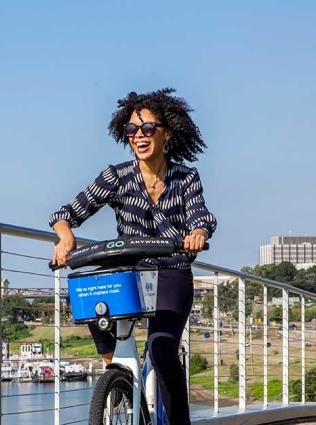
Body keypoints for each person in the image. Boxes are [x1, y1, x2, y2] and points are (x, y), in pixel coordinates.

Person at [49, 87, 217, 425]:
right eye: (131, 130)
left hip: (171, 269)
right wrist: (65, 238)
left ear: (167, 132)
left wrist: (197, 234)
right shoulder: (116, 176)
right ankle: (119, 373)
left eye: (148, 129)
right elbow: (67, 212)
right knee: (88, 291)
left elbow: (201, 217)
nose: (139, 136)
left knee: (162, 349)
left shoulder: (186, 178)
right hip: (130, 270)